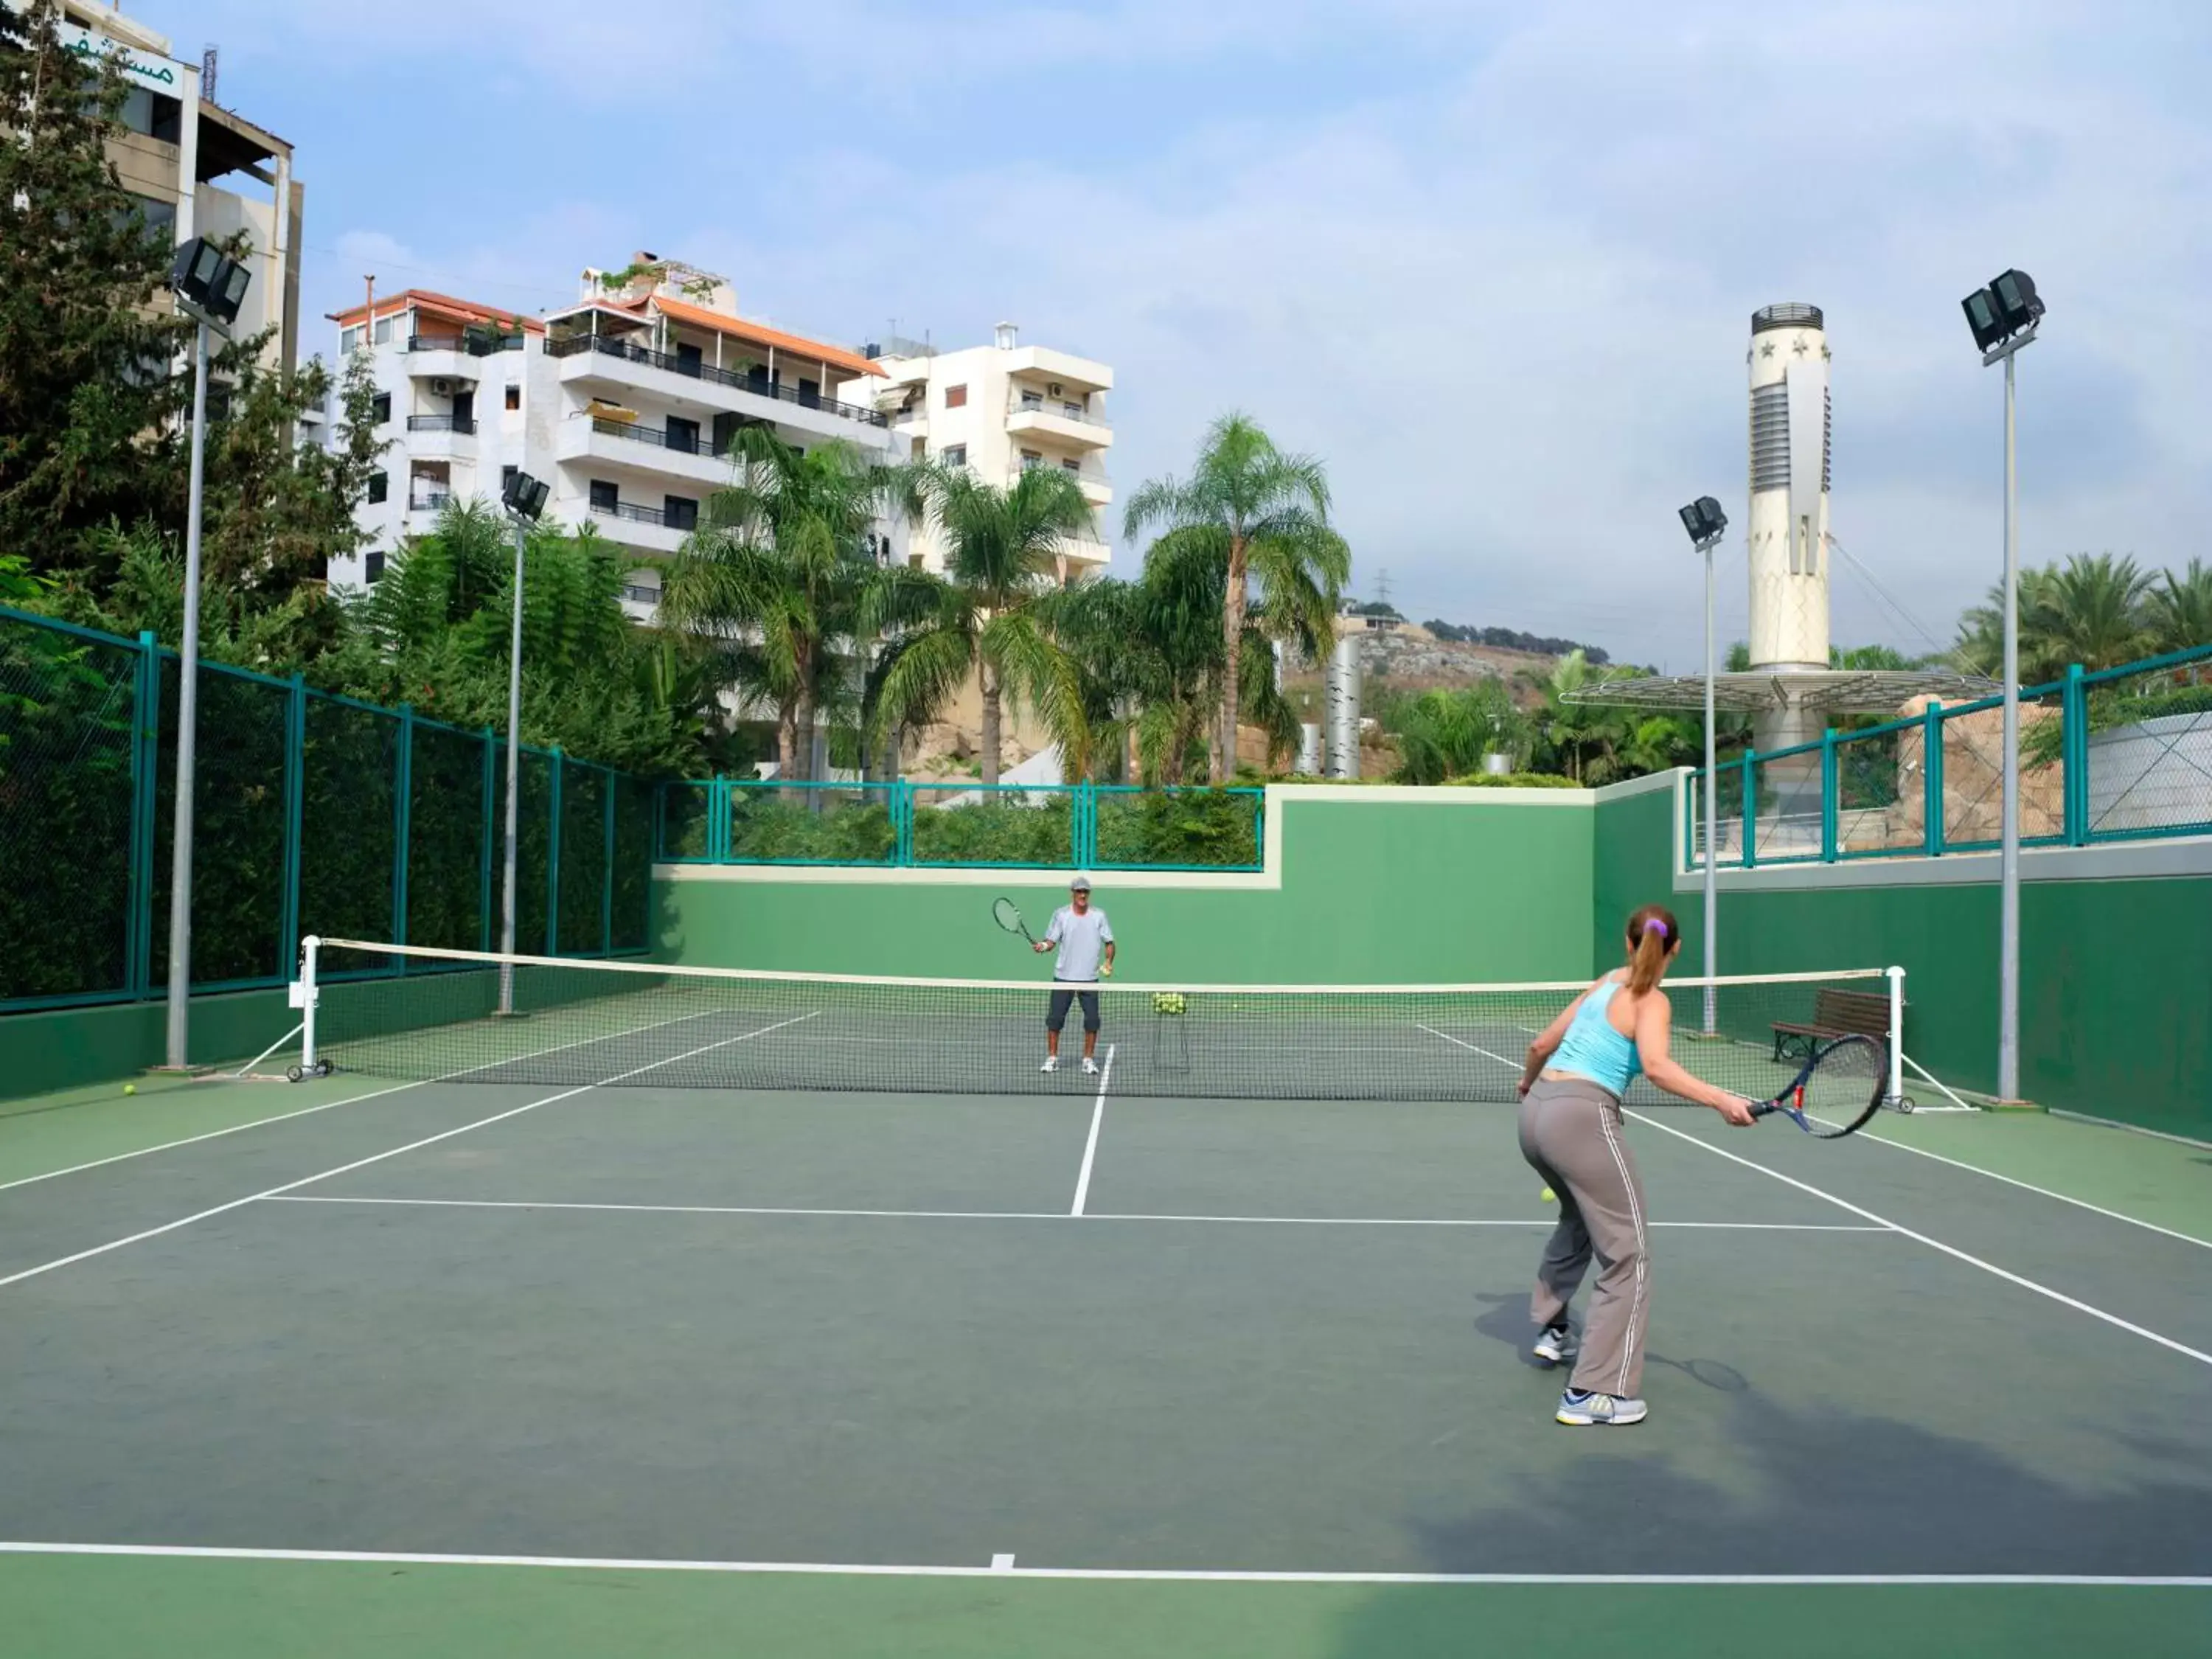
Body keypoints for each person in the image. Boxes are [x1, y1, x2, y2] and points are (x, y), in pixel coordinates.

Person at [1514, 902, 1755, 1427]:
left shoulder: (1605, 982)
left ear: (1628, 944)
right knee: (1631, 1255)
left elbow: (1541, 1044)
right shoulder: (1653, 1002)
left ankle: (1552, 1330)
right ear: (1676, 949)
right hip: (1581, 1119)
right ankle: (1596, 1393)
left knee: (1578, 1216)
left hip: (1533, 1118)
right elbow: (1657, 1067)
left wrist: (1529, 1086)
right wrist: (1721, 1099)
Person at [1036, 874, 1115, 1075]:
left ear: (1089, 894)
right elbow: (1051, 942)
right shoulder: (1061, 915)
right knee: (1054, 1020)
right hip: (1063, 977)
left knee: (1092, 1021)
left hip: (1089, 979)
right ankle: (1052, 1058)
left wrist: (1108, 962)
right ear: (1073, 893)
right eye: (1079, 891)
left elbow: (1110, 943)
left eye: (1085, 891)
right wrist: (1043, 946)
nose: (1082, 895)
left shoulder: (1099, 916)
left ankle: (1088, 1060)